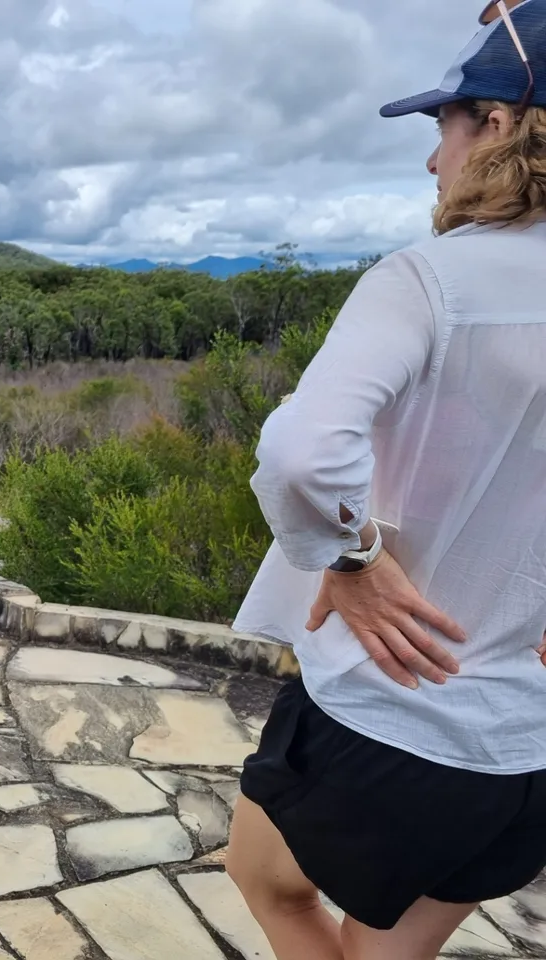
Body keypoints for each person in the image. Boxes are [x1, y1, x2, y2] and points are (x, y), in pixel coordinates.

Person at [224, 2, 546, 959]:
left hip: (392, 719)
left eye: (444, 126)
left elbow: (297, 453)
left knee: (262, 882)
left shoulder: (431, 279)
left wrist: (352, 560)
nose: (432, 159)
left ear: (498, 125)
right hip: (522, 751)